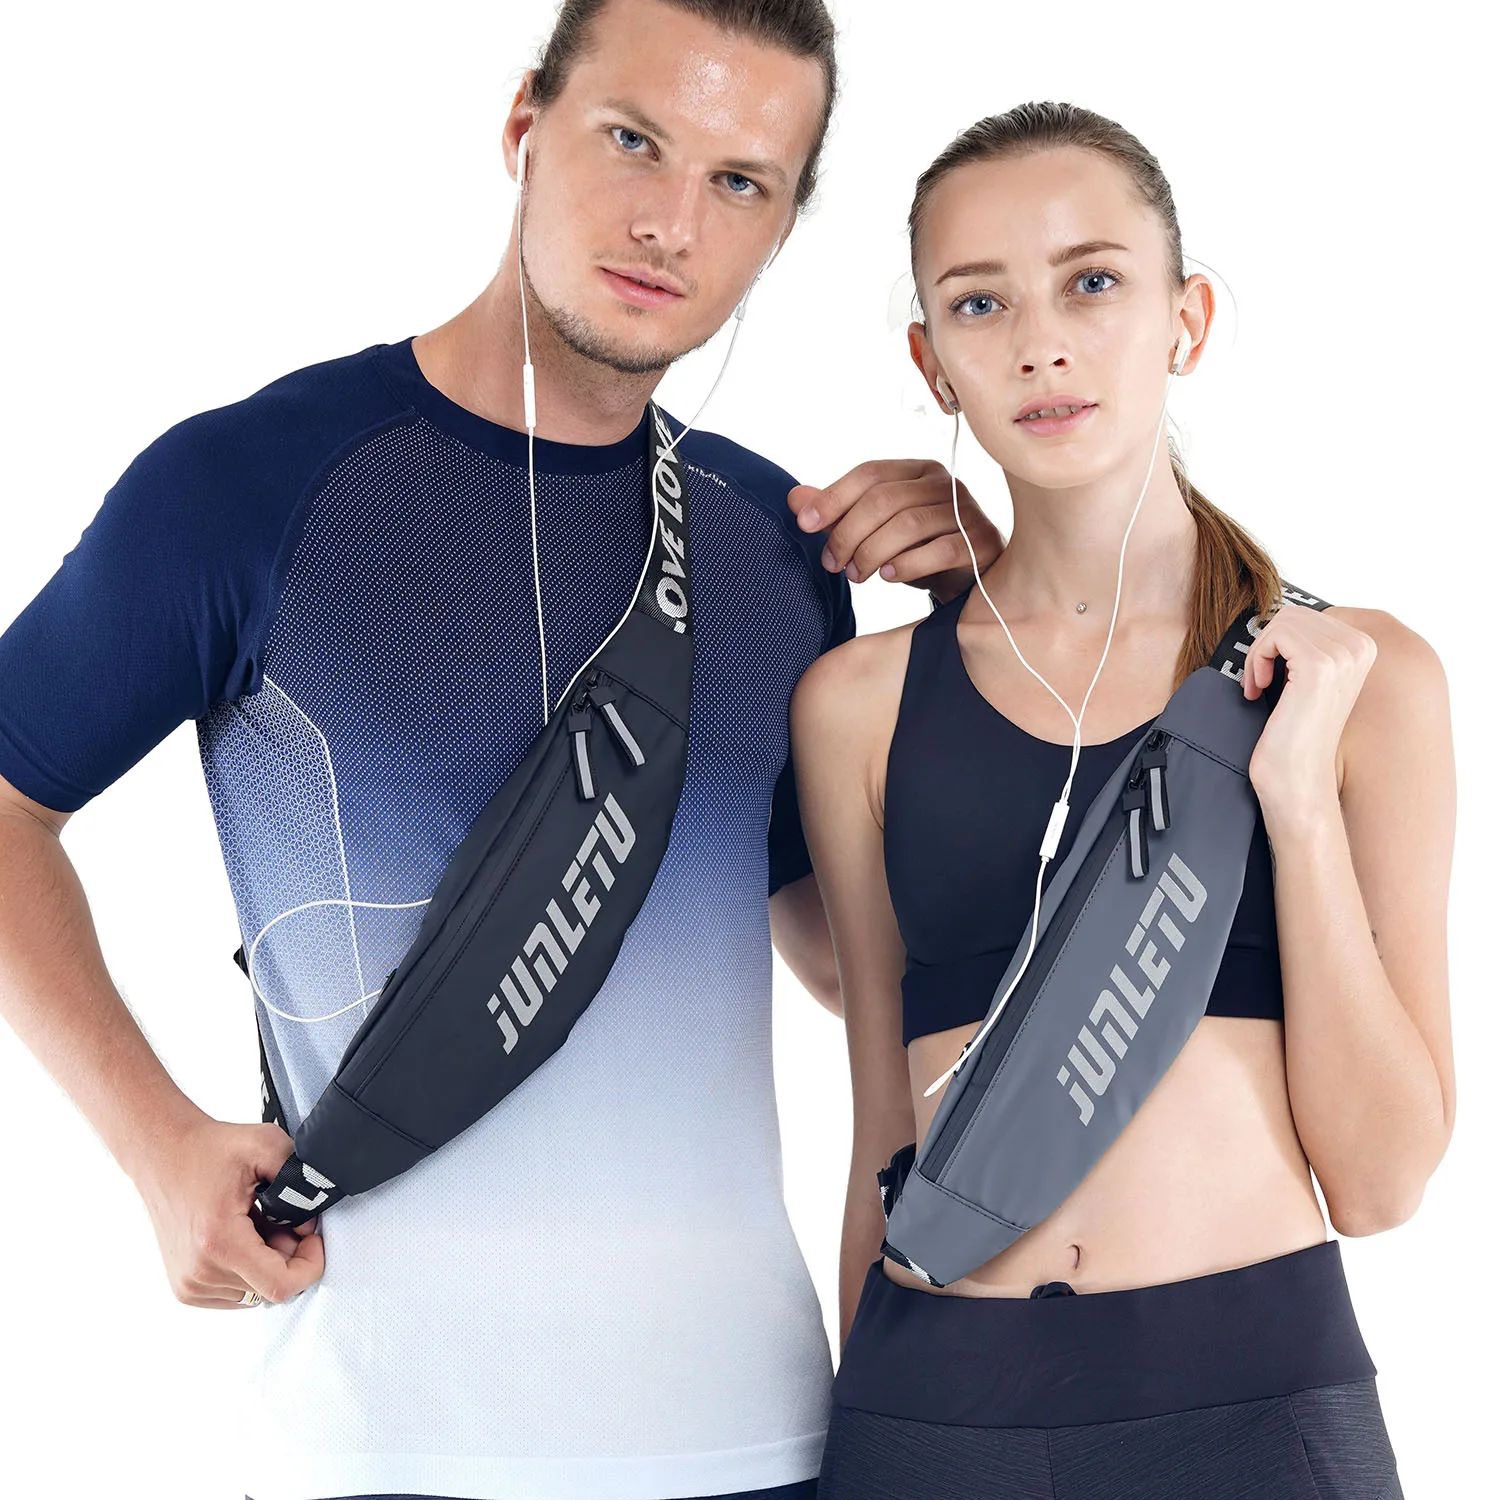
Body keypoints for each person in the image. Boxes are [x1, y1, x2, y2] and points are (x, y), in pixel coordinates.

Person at [0, 4, 1002, 1498]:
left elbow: (855, 967)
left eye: (739, 181)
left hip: (749, 1435)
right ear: (525, 125)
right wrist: (153, 1144)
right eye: (634, 140)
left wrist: (995, 636)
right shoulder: (253, 485)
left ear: (784, 226)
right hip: (378, 1438)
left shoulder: (772, 542)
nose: (671, 222)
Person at [789, 101, 1455, 1500]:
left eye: (1092, 281)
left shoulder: (1358, 677)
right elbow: (879, 1134)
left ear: (1184, 321)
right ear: (931, 361)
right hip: (932, 1413)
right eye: (981, 302)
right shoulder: (859, 706)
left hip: (1255, 1408)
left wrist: (1296, 804)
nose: (1041, 343)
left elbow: (1384, 1182)